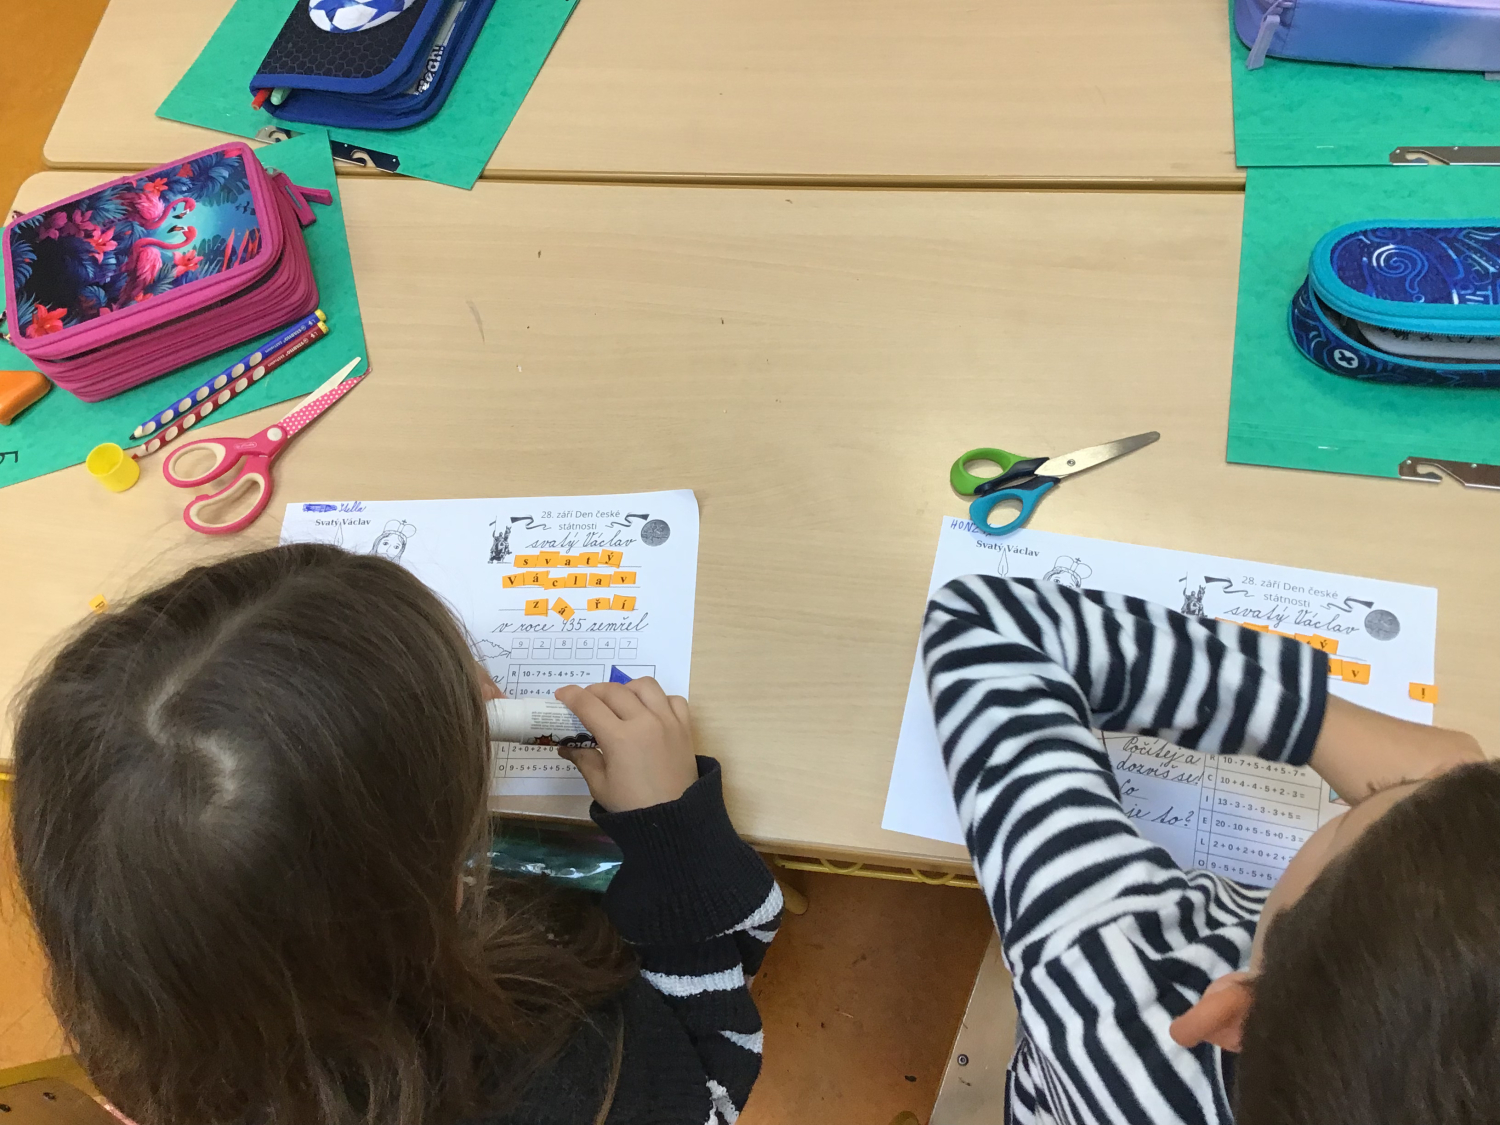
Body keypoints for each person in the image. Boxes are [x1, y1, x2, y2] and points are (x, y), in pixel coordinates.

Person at [9, 544, 780, 1125]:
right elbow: (716, 1082)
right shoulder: (571, 1083)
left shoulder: (149, 1030)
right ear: (447, 891)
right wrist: (671, 833)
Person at [921, 575, 1497, 1125]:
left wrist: (1316, 720)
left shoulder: (1112, 987)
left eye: (1358, 810)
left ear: (1229, 1014)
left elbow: (983, 624)